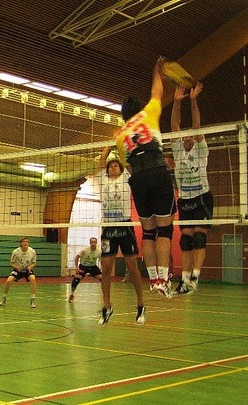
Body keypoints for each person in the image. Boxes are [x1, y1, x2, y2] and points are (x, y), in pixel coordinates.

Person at [115, 57, 176, 298]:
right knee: (165, 231)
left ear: (123, 116)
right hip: (157, 173)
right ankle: (164, 278)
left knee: (148, 233)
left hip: (138, 180)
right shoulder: (148, 113)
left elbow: (128, 167)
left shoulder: (119, 135)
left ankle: (153, 279)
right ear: (139, 109)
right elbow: (158, 92)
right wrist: (156, 71)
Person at [170, 82, 212, 294]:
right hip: (185, 199)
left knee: (199, 237)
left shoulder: (201, 150)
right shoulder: (178, 151)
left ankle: (195, 275)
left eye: (189, 137)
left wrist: (193, 101)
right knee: (185, 241)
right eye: (184, 137)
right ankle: (185, 280)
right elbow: (174, 126)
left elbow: (196, 126)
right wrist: (177, 103)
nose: (186, 138)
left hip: (202, 196)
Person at [97, 146, 145, 325]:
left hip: (125, 226)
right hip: (108, 228)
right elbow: (102, 160)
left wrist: (121, 145)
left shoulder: (126, 178)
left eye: (116, 165)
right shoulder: (103, 179)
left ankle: (141, 305)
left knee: (132, 266)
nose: (113, 167)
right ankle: (107, 306)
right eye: (111, 166)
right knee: (106, 267)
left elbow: (129, 164)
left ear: (121, 168)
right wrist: (110, 146)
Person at [0, 237, 37, 308]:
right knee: (8, 281)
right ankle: (4, 298)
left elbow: (34, 263)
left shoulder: (32, 251)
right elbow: (12, 263)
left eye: (27, 242)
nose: (25, 243)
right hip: (18, 269)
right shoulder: (16, 252)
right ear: (21, 243)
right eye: (23, 242)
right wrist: (17, 268)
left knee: (33, 279)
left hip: (27, 269)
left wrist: (29, 268)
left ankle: (32, 300)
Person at [69, 237, 102, 303]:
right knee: (75, 281)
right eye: (92, 242)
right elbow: (77, 257)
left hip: (93, 267)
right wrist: (76, 268)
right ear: (90, 243)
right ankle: (72, 295)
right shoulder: (85, 250)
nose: (93, 243)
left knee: (103, 280)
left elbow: (101, 261)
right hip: (83, 266)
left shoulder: (99, 251)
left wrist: (102, 269)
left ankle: (106, 297)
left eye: (94, 242)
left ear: (96, 243)